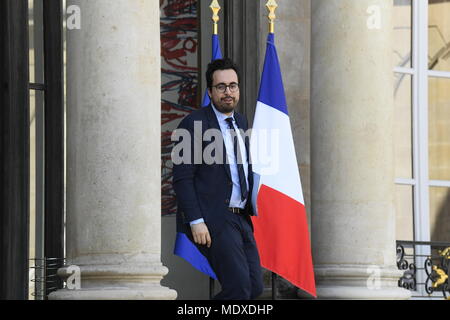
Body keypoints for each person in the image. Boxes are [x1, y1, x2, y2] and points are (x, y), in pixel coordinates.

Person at [172, 58, 264, 300]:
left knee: (255, 288)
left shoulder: (241, 121)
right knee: (239, 289)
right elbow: (182, 178)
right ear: (210, 92)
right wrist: (195, 221)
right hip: (215, 219)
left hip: (241, 217)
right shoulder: (193, 124)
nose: (228, 92)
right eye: (221, 87)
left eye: (233, 86)